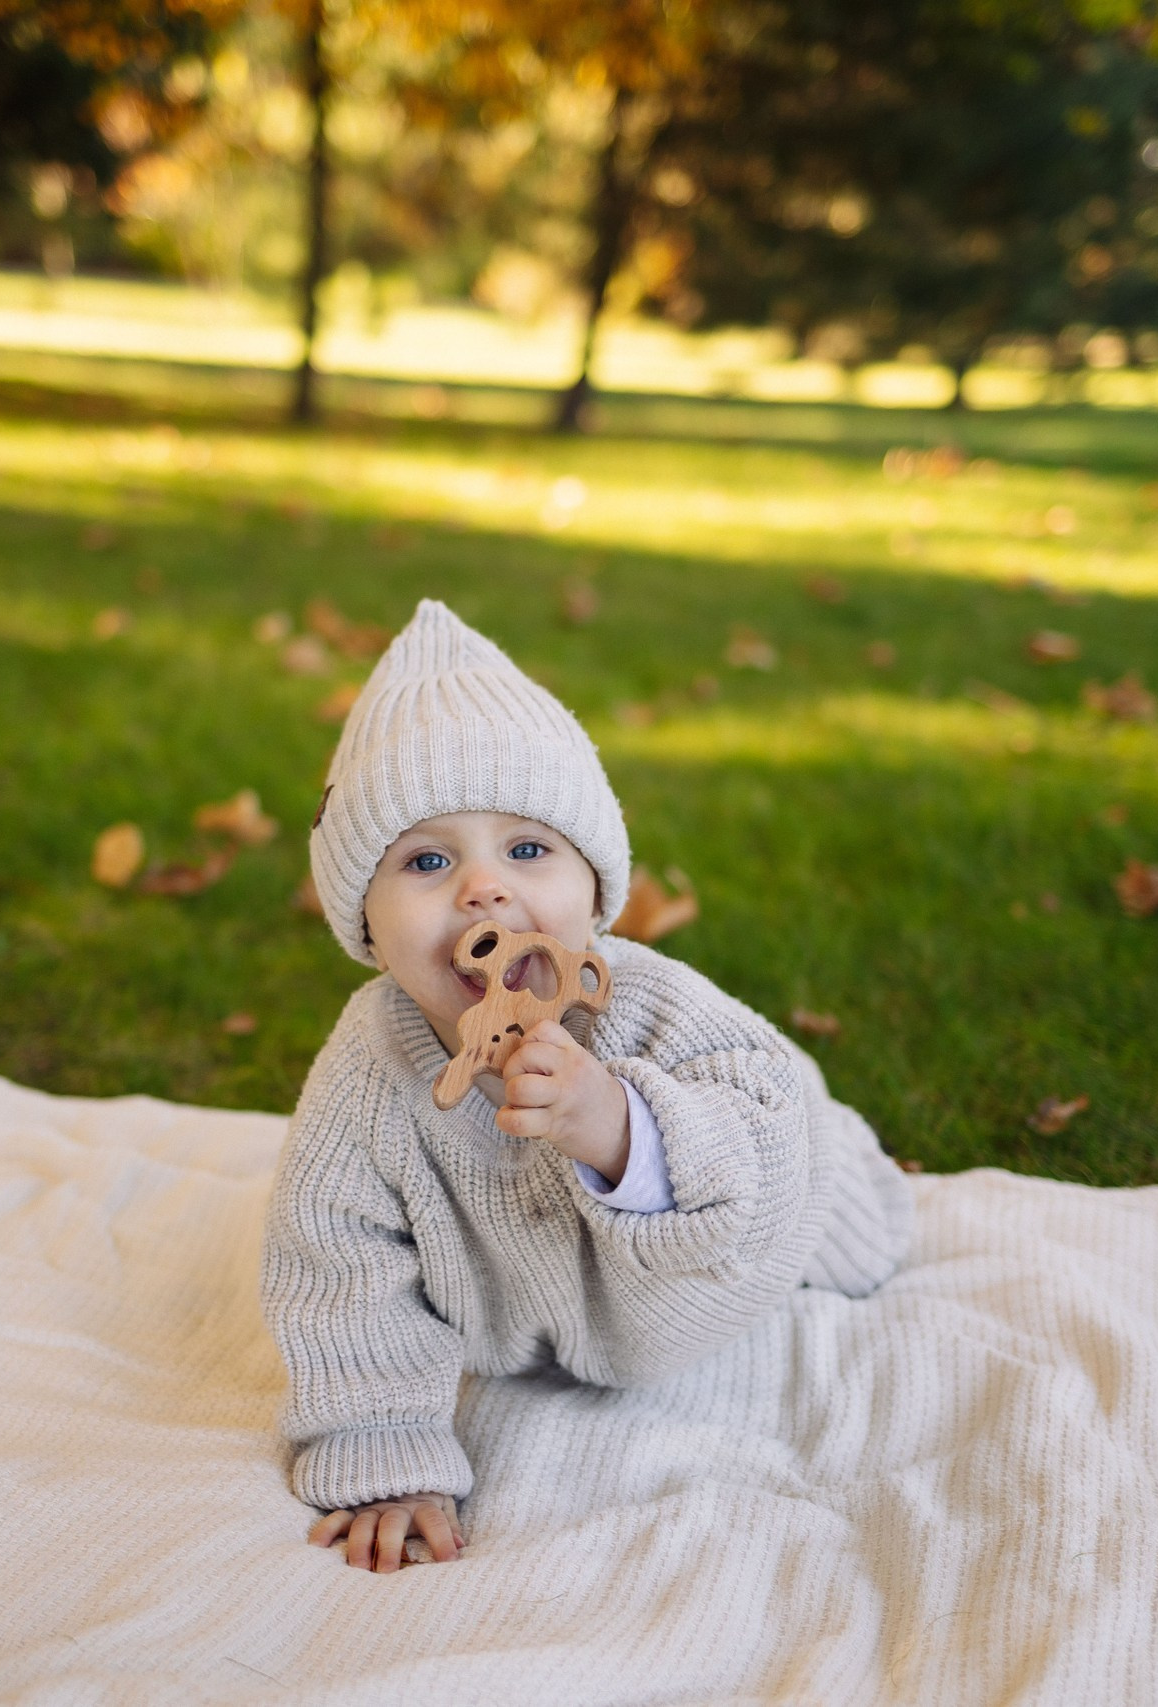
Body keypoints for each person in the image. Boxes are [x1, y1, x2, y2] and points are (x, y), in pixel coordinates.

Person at [262, 599, 911, 1574]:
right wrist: (381, 1450)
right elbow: (335, 1266)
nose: (482, 889)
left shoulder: (644, 1004)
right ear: (363, 920)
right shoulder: (369, 1067)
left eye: (526, 850)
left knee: (840, 1210)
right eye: (428, 860)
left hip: (715, 1249)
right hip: (533, 1317)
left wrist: (615, 1123)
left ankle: (857, 1164)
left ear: (594, 891)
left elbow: (760, 1130)